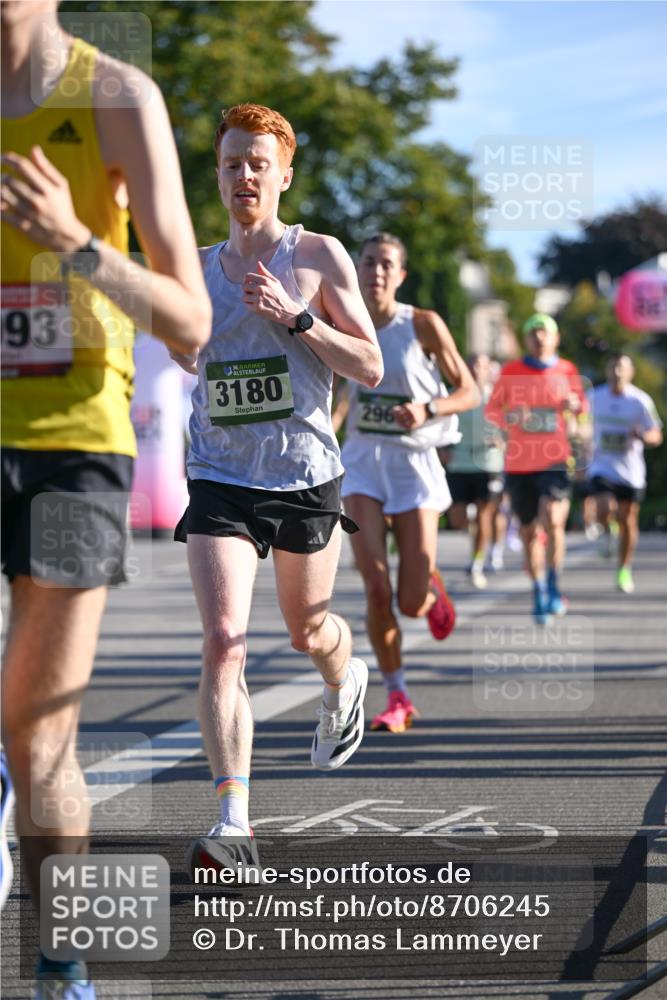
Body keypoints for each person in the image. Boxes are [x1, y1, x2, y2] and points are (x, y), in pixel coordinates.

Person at [1, 3, 212, 996]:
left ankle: (61, 961)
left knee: (40, 735)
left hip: (73, 449)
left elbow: (192, 321)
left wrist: (76, 240)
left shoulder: (119, 96)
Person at [170, 104, 383, 873]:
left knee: (306, 631)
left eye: (258, 164)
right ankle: (234, 823)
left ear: (283, 175)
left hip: (303, 475)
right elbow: (186, 354)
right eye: (231, 164)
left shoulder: (317, 255)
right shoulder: (193, 268)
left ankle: (342, 675)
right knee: (223, 641)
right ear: (218, 175)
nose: (244, 176)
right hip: (220, 476)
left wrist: (298, 319)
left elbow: (369, 366)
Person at [332, 233, 478, 734]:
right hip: (362, 462)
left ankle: (431, 590)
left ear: (400, 275)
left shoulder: (422, 324)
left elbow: (469, 391)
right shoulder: (341, 321)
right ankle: (398, 696)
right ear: (356, 269)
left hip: (413, 462)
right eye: (368, 262)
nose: (376, 271)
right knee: (376, 588)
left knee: (410, 603)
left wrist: (428, 408)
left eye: (386, 264)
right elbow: (337, 396)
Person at [485, 314, 588, 625]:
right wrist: (509, 420)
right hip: (519, 463)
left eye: (545, 332)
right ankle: (539, 589)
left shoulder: (567, 370)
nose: (539, 338)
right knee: (529, 532)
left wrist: (574, 409)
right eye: (533, 333)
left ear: (556, 338)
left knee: (554, 520)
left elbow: (582, 416)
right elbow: (492, 411)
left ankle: (554, 583)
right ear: (526, 339)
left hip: (555, 459)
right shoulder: (511, 371)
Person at [587, 353, 663, 593]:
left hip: (630, 471)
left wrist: (644, 436)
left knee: (628, 519)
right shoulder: (594, 397)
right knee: (603, 507)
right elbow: (581, 424)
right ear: (607, 371)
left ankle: (624, 569)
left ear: (631, 373)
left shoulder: (639, 400)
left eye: (621, 368)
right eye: (612, 367)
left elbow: (656, 434)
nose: (617, 372)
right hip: (601, 466)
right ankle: (607, 528)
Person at [444, 353, 505, 589]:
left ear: (489, 369)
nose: (475, 369)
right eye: (471, 365)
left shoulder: (498, 397)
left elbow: (514, 425)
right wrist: (441, 448)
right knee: (457, 518)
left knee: (484, 515)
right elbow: (439, 423)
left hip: (488, 463)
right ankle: (470, 523)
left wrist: (504, 439)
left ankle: (477, 563)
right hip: (459, 462)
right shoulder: (454, 394)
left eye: (481, 365)